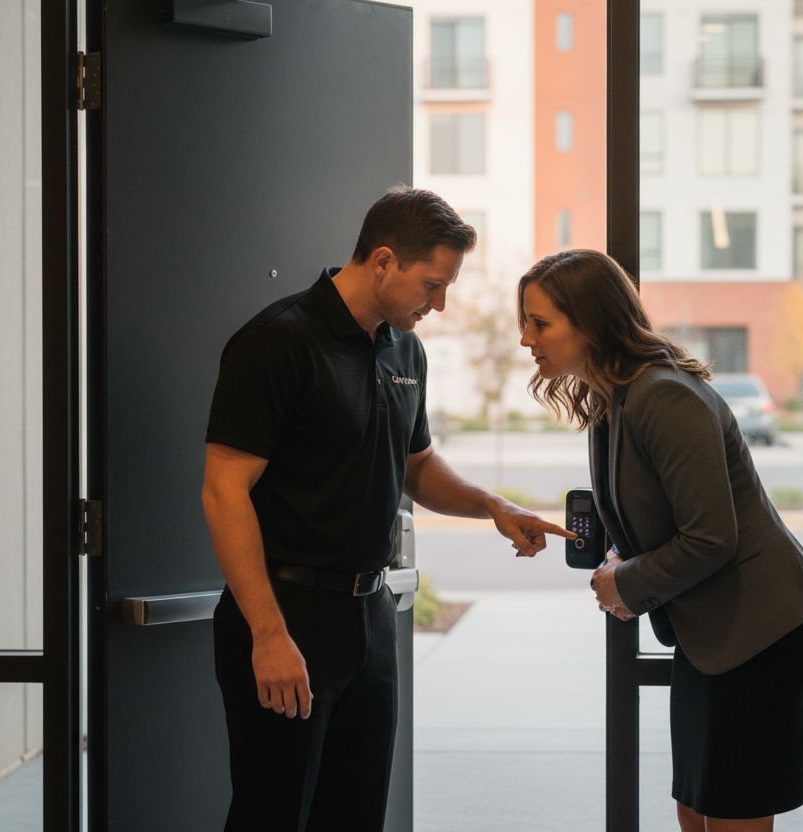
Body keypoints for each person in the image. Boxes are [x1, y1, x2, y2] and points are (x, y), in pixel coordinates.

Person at [202, 186, 574, 831]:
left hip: (369, 620)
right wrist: (267, 633)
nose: (440, 303)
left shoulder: (405, 350)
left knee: (356, 815)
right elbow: (223, 490)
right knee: (273, 814)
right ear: (382, 262)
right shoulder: (276, 343)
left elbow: (417, 467)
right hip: (287, 615)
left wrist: (491, 505)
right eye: (433, 284)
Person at [517, 249, 803, 832]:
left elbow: (711, 537)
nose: (526, 338)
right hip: (713, 637)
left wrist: (625, 584)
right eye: (525, 322)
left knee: (730, 815)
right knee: (695, 807)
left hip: (759, 633)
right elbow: (658, 515)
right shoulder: (616, 396)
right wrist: (616, 555)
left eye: (540, 322)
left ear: (589, 322)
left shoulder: (664, 395)